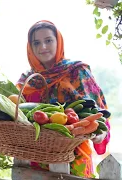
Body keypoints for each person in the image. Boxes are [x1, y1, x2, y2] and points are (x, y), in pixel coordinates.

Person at [16, 20, 110, 177]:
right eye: (36, 43)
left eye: (48, 40)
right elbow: (14, 111)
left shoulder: (77, 72)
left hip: (74, 156)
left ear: (58, 41)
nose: (43, 47)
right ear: (30, 47)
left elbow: (99, 111)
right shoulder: (28, 80)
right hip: (34, 157)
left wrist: (100, 132)